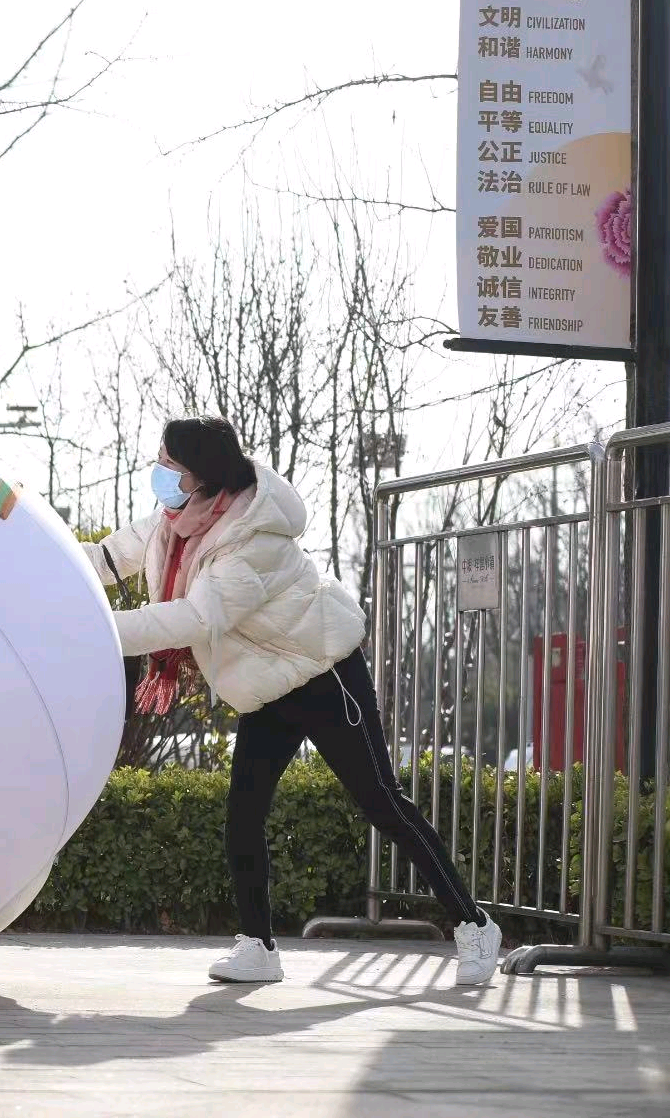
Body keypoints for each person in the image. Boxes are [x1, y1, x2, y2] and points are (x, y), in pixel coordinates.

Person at [84, 415, 504, 988]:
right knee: (243, 816)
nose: (159, 476)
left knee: (381, 802)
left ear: (203, 477)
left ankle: (475, 925)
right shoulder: (174, 522)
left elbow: (197, 618)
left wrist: (98, 629)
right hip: (266, 687)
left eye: (171, 467)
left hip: (322, 676)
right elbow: (111, 557)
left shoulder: (251, 538)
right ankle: (259, 946)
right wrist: (53, 567)